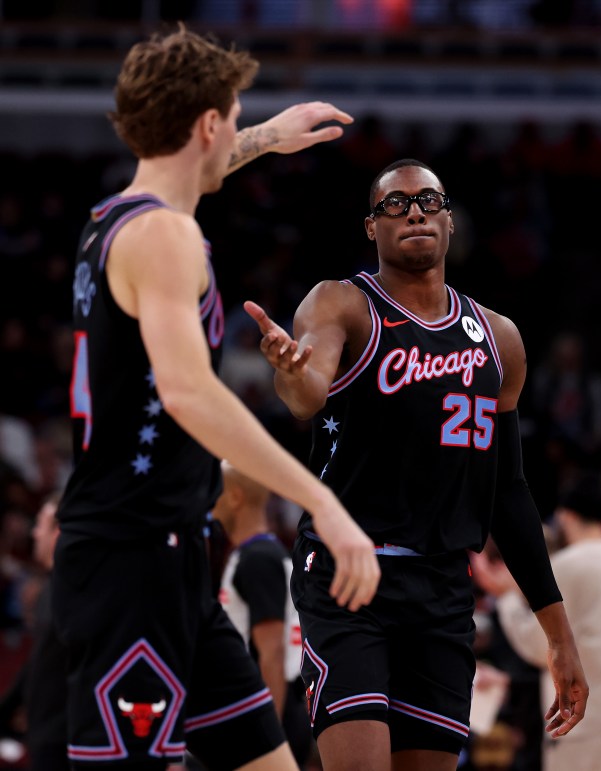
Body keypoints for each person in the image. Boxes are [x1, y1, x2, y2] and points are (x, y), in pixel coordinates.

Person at [51, 24, 380, 771]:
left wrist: (269, 134)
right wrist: (323, 503)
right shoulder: (165, 237)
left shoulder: (112, 219)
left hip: (174, 559)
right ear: (205, 122)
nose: (237, 126)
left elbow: (203, 161)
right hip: (130, 562)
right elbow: (189, 392)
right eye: (234, 113)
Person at [245, 157, 588, 771]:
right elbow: (307, 394)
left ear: (450, 222)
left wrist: (559, 637)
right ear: (371, 228)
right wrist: (292, 373)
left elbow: (508, 493)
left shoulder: (499, 338)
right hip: (349, 576)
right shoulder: (343, 304)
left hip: (442, 589)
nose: (415, 213)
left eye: (428, 202)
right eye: (395, 206)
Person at [472, 471, 601, 771]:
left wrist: (507, 597)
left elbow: (541, 647)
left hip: (587, 723)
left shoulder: (565, 565)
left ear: (565, 517)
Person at [211, 460, 313, 768]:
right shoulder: (256, 553)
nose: (209, 501)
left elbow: (271, 651)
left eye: (216, 492)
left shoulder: (258, 559)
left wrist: (270, 735)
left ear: (235, 497)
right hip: (273, 707)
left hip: (271, 710)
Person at [0, 491, 68, 771]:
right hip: (47, 734)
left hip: (61, 738)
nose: (35, 533)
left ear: (58, 532)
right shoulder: (50, 590)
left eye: (41, 524)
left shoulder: (65, 593)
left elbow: (41, 663)